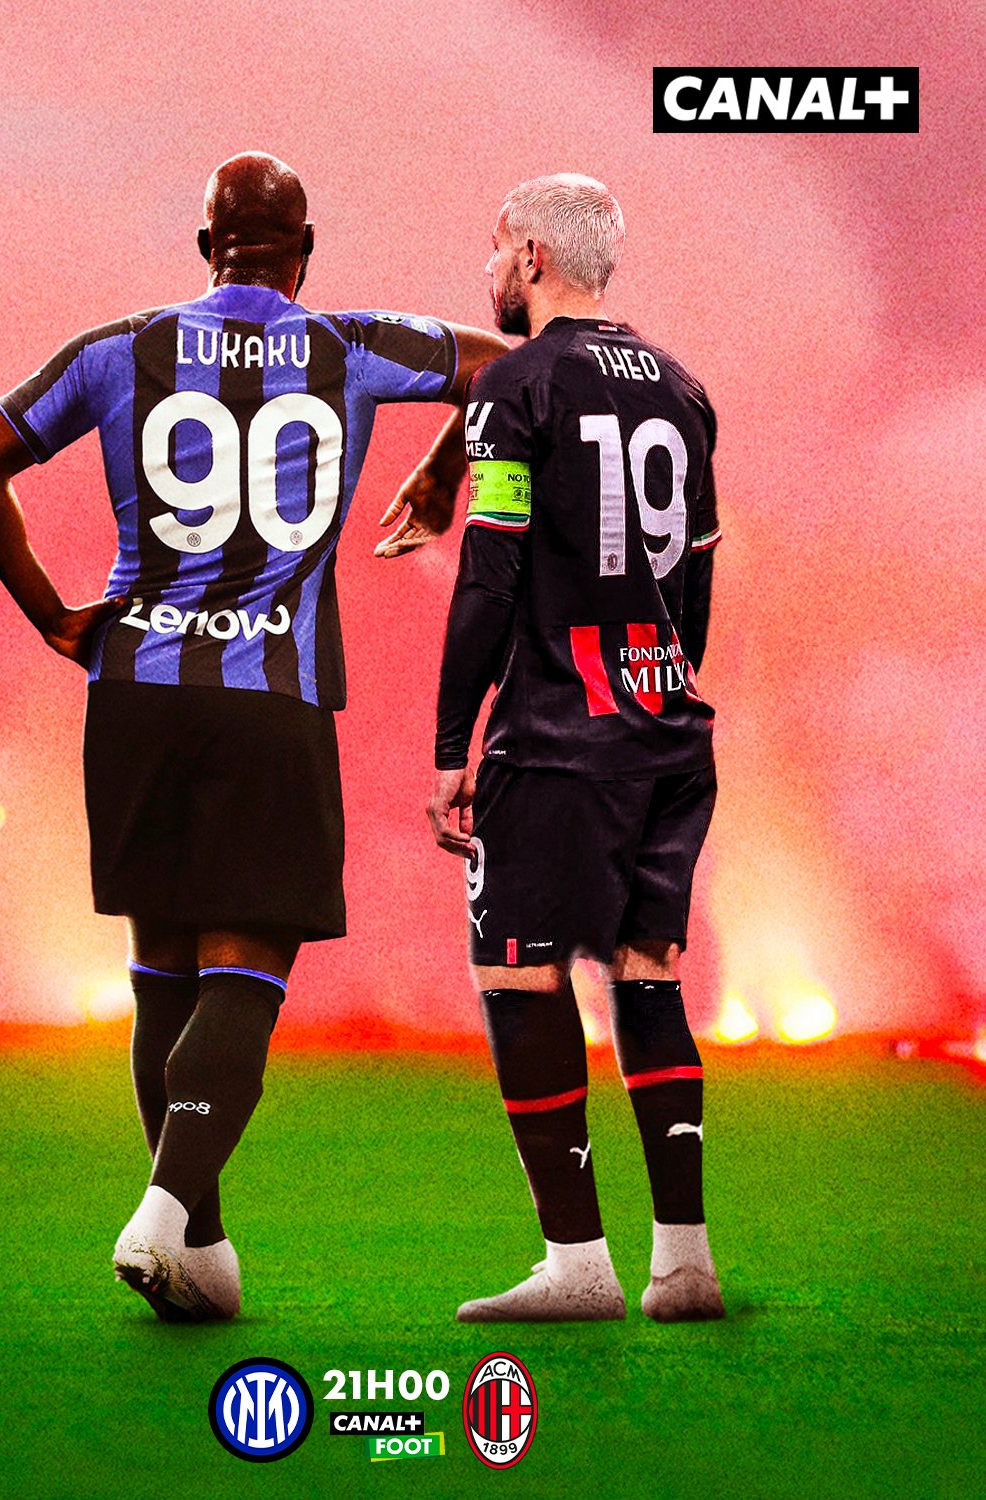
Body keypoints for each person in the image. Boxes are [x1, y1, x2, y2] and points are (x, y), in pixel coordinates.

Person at [0, 152, 506, 1322]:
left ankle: (197, 1246)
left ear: (207, 249)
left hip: (137, 694)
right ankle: (162, 1214)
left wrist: (51, 615)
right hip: (267, 696)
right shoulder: (350, 348)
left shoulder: (116, 350)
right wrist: (443, 468)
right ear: (306, 253)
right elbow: (509, 369)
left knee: (163, 970)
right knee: (247, 971)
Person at [426, 174, 724, 1323]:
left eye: (497, 248)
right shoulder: (685, 390)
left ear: (536, 259)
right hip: (666, 730)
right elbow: (695, 578)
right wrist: (660, 684)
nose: (490, 269)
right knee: (647, 972)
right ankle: (684, 1263)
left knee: (519, 970)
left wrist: (452, 740)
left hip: (557, 739)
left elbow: (491, 569)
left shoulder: (514, 387)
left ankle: (579, 1265)